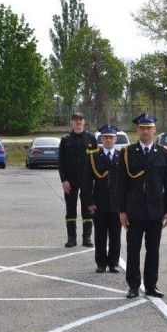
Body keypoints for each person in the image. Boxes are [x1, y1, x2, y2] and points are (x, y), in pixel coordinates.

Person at [114, 113, 167, 298]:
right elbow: (121, 184)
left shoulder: (164, 153)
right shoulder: (127, 153)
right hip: (134, 210)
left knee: (153, 250)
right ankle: (133, 286)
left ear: (155, 130)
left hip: (156, 210)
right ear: (137, 130)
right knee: (133, 250)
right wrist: (121, 210)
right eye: (142, 127)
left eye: (149, 127)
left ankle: (151, 285)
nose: (146, 131)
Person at [81, 124, 122, 273]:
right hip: (99, 202)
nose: (109, 140)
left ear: (115, 139)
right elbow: (86, 182)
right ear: (101, 139)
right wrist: (89, 202)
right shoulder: (94, 157)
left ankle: (114, 263)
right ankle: (101, 263)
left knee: (115, 236)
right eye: (106, 137)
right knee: (100, 235)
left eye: (111, 137)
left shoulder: (122, 156)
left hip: (117, 204)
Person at [57, 112, 98, 247]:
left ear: (84, 122)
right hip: (70, 180)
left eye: (80, 119)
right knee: (70, 209)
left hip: (87, 180)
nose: (78, 122)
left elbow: (96, 161)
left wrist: (96, 180)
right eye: (75, 120)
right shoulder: (66, 139)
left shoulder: (91, 138)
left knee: (87, 208)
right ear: (71, 123)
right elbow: (61, 161)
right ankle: (71, 237)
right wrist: (64, 180)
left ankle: (86, 237)